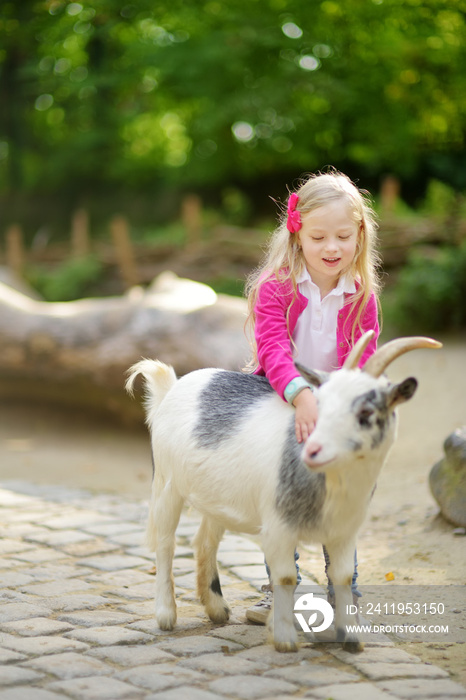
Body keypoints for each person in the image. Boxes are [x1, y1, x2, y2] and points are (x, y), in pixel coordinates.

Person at [243, 169, 381, 624]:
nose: (332, 248)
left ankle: (347, 591)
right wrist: (301, 396)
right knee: (282, 493)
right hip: (282, 399)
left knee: (341, 491)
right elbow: (273, 349)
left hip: (336, 408)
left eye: (343, 236)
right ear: (298, 234)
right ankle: (280, 589)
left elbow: (363, 361)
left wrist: (338, 408)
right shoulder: (277, 286)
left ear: (359, 234)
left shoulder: (361, 295)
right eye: (319, 236)